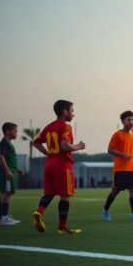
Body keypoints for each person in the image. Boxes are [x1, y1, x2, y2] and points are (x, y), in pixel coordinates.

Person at [31, 99, 86, 234]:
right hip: (62, 164)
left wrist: (48, 153)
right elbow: (65, 146)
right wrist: (79, 146)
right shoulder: (66, 126)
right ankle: (62, 227)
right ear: (64, 112)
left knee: (49, 193)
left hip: (49, 164)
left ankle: (39, 212)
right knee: (65, 195)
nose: (73, 114)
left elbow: (35, 142)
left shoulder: (49, 127)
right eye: (72, 111)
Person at [102, 111, 133, 221]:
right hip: (120, 169)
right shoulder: (117, 134)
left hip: (132, 169)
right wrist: (123, 155)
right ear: (123, 121)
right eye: (129, 120)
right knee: (115, 191)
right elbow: (109, 149)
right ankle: (105, 210)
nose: (131, 122)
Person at [0, 122, 24, 226]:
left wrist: (16, 169)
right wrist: (8, 170)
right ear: (8, 132)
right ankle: (4, 218)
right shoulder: (4, 142)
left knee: (4, 193)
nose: (17, 133)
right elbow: (1, 157)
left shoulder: (8, 143)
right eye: (15, 131)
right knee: (7, 193)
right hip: (6, 172)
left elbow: (8, 159)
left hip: (10, 170)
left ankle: (1, 218)